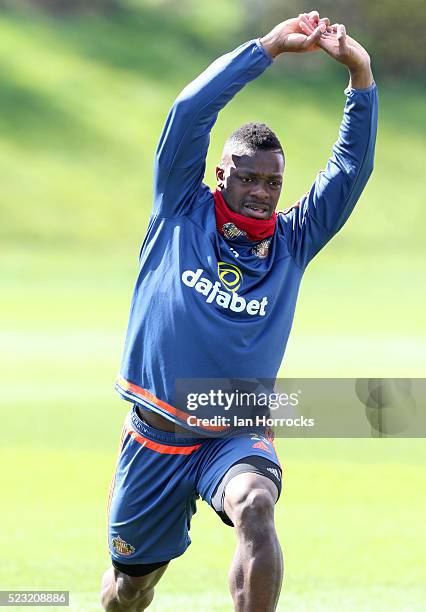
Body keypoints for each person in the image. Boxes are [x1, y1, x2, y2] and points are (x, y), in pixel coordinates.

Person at [101, 10, 377, 611]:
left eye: (273, 182)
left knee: (255, 503)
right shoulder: (180, 208)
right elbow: (189, 112)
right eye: (248, 178)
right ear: (220, 173)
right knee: (129, 590)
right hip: (156, 434)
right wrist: (267, 49)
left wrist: (360, 74)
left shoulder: (292, 241)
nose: (261, 191)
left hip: (235, 429)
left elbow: (349, 171)